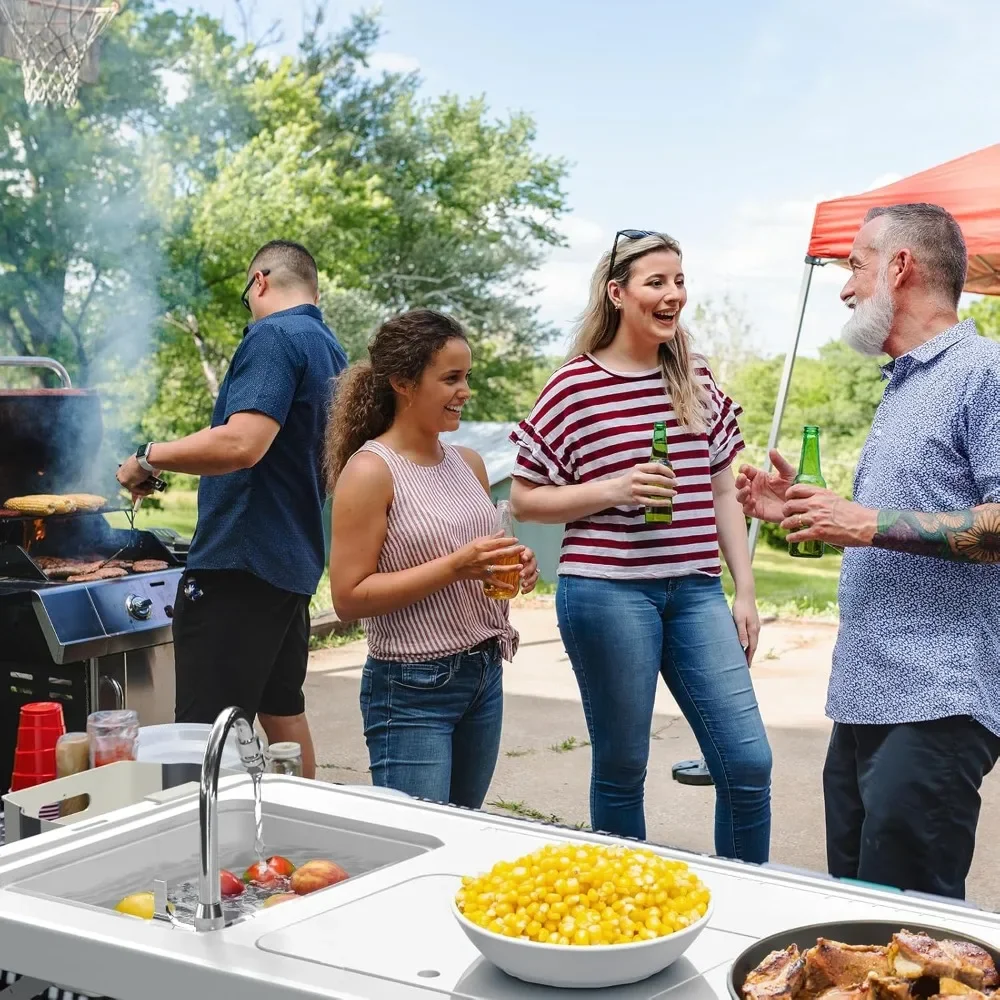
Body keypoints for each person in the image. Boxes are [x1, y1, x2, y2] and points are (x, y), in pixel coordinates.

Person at [737, 203, 1000, 900]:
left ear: (900, 266)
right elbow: (877, 524)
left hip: (938, 700)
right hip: (864, 696)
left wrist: (866, 522)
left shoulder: (984, 371)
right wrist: (799, 511)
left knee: (906, 933)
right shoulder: (903, 384)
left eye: (855, 264)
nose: (847, 285)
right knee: (854, 915)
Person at [508, 230, 772, 862]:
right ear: (617, 293)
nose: (672, 294)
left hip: (696, 591)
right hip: (605, 592)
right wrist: (614, 488)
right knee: (624, 763)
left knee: (746, 761)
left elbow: (722, 489)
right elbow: (526, 499)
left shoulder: (696, 376)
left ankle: (745, 909)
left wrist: (745, 588)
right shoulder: (574, 386)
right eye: (657, 282)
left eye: (679, 281)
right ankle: (627, 918)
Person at [117, 240, 347, 778]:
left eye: (248, 295)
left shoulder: (273, 337)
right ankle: (307, 837)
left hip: (239, 564)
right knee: (282, 712)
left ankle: (204, 854)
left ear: (260, 282)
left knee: (205, 732)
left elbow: (241, 443)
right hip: (288, 563)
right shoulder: (329, 349)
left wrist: (149, 456)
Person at [325, 308, 538, 807]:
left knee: (465, 830)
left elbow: (481, 552)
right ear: (403, 382)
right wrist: (455, 567)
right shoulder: (371, 471)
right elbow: (348, 597)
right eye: (451, 379)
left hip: (483, 672)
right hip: (412, 687)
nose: (465, 390)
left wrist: (519, 562)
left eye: (466, 377)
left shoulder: (469, 463)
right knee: (421, 842)